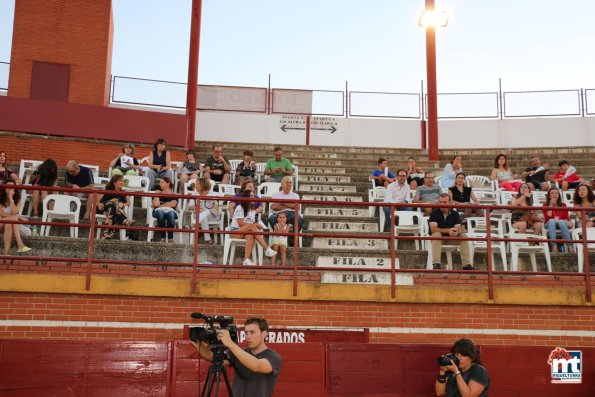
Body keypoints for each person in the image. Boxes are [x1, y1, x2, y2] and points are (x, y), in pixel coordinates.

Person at [191, 317, 282, 397]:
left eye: (252, 332)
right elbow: (213, 357)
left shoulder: (273, 357)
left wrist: (230, 344)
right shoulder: (239, 352)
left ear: (264, 334)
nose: (248, 336)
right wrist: (200, 347)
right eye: (246, 333)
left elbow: (256, 366)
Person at [231, 190, 277, 265]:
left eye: (253, 196)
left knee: (251, 235)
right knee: (252, 226)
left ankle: (246, 260)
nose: (254, 197)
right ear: (246, 198)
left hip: (245, 232)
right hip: (235, 231)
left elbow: (251, 222)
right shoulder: (239, 207)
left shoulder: (252, 210)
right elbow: (240, 223)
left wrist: (257, 225)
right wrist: (253, 225)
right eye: (251, 196)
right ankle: (266, 248)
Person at [429, 193, 472, 270]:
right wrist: (448, 230)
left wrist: (456, 232)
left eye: (445, 202)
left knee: (464, 236)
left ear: (449, 203)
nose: (442, 204)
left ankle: (466, 265)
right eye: (440, 202)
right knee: (436, 234)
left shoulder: (455, 214)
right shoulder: (434, 213)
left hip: (451, 239)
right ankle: (436, 264)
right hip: (439, 240)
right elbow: (433, 229)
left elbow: (458, 228)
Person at [95, 175, 134, 239]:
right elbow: (96, 201)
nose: (122, 182)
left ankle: (106, 233)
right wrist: (99, 204)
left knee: (113, 207)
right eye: (120, 181)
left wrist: (122, 204)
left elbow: (128, 203)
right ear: (114, 182)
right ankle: (124, 220)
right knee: (115, 201)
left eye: (123, 181)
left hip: (113, 211)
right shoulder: (106, 189)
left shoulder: (124, 192)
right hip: (103, 209)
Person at [0, 181, 32, 255]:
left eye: (12, 187)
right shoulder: (0, 200)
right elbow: (2, 214)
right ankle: (20, 244)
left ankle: (6, 253)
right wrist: (17, 217)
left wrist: (11, 198)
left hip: (7, 225)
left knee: (9, 224)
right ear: (4, 188)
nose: (10, 188)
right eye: (8, 187)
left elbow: (14, 212)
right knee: (14, 219)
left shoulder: (18, 201)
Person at [187, 177, 220, 244]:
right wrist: (195, 208)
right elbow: (190, 207)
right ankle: (208, 239)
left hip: (213, 216)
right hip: (201, 216)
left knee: (207, 211)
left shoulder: (211, 194)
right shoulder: (194, 193)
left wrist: (209, 208)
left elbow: (216, 207)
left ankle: (193, 223)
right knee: (203, 216)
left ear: (203, 185)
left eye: (197, 184)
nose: (195, 185)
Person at [542, 188, 573, 254]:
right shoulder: (545, 205)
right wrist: (550, 205)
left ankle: (570, 246)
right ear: (549, 196)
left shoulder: (563, 205)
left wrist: (563, 221)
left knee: (561, 221)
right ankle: (554, 246)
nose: (554, 194)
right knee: (551, 221)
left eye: (556, 193)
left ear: (559, 195)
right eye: (552, 193)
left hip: (561, 224)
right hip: (549, 224)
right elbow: (548, 217)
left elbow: (566, 218)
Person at [151, 177, 178, 242]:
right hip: (158, 211)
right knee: (160, 213)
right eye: (160, 182)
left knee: (171, 214)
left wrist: (161, 205)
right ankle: (162, 237)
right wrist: (157, 195)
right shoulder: (157, 193)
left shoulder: (174, 194)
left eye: (162, 182)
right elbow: (155, 205)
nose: (160, 184)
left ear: (168, 183)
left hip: (170, 211)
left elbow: (173, 204)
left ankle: (170, 238)